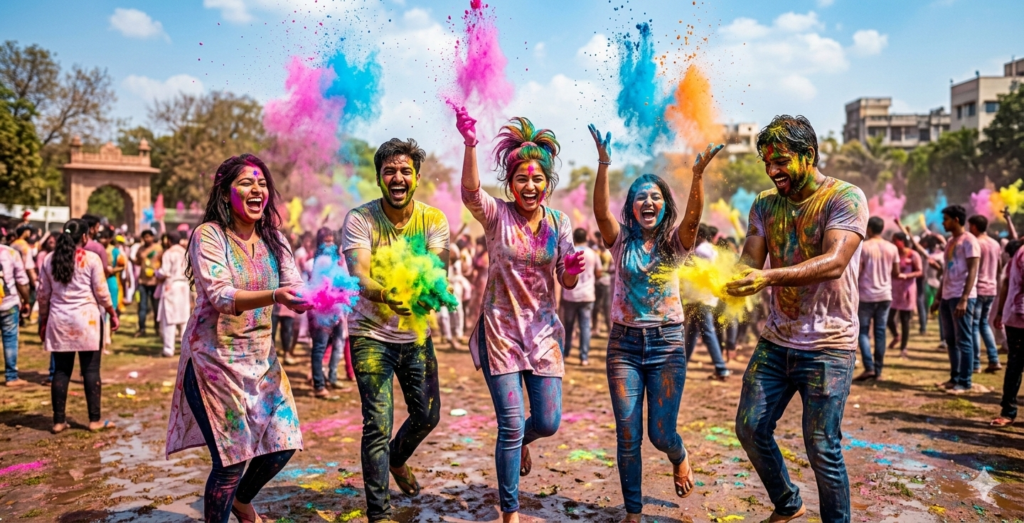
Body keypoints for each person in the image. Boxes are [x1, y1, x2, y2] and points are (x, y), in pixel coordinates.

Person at [725, 115, 868, 523]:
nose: (773, 171)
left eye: (782, 160)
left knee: (822, 446)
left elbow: (835, 262)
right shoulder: (764, 204)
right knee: (750, 428)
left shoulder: (845, 197)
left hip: (829, 345)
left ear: (809, 155)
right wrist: (721, 278)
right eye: (766, 163)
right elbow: (749, 260)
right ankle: (788, 503)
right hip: (776, 340)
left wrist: (766, 277)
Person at [165, 154, 311, 523]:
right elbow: (221, 296)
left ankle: (244, 503)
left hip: (262, 363)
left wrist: (319, 297)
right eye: (246, 182)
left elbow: (294, 284)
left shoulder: (274, 239)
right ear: (225, 190)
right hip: (214, 364)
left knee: (282, 445)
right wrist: (276, 296)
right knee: (231, 462)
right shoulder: (209, 235)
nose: (257, 189)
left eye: (262, 183)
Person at [588, 122, 723, 521]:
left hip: (666, 346)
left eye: (655, 197)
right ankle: (633, 511)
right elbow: (599, 211)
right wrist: (603, 163)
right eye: (640, 198)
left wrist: (697, 178)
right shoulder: (620, 243)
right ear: (630, 206)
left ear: (665, 204)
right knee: (628, 435)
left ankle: (678, 455)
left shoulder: (675, 245)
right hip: (623, 348)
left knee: (660, 434)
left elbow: (694, 221)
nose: (648, 202)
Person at [457, 109, 582, 523]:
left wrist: (572, 271)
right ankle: (509, 511)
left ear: (547, 183)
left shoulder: (559, 222)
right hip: (501, 333)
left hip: (544, 334)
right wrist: (471, 144)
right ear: (510, 183)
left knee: (547, 422)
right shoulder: (497, 216)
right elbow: (471, 193)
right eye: (521, 179)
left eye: (537, 178)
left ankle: (523, 441)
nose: (530, 186)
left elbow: (564, 279)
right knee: (509, 426)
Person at [341, 138, 448, 523]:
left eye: (405, 171)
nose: (397, 178)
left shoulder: (433, 220)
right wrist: (386, 294)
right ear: (379, 178)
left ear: (416, 178)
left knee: (428, 414)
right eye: (390, 171)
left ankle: (398, 459)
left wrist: (424, 296)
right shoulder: (360, 219)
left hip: (415, 335)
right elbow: (358, 275)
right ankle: (379, 514)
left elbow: (439, 273)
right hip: (370, 334)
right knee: (377, 424)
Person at [37, 219, 120, 433]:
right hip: (87, 321)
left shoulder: (49, 259)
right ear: (84, 236)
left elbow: (43, 295)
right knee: (91, 370)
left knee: (61, 371)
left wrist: (43, 321)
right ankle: (94, 420)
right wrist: (112, 312)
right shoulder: (91, 259)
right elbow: (101, 292)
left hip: (59, 320)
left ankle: (58, 421)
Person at [936, 205, 980, 395]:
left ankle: (965, 381)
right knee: (951, 340)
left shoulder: (970, 241)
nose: (942, 223)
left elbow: (973, 271)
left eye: (945, 219)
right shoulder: (950, 241)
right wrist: (938, 297)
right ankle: (954, 378)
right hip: (947, 296)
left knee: (964, 341)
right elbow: (946, 271)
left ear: (955, 219)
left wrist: (964, 298)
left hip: (961, 297)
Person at [682, 224, 731, 379]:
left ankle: (721, 368)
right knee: (692, 332)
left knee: (707, 331)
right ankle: (682, 365)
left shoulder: (700, 251)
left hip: (699, 298)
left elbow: (694, 275)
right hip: (705, 297)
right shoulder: (711, 249)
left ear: (699, 235)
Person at [854, 216, 899, 382]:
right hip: (885, 295)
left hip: (866, 295)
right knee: (880, 332)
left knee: (863, 332)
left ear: (870, 229)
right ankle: (878, 370)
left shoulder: (864, 247)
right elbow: (896, 272)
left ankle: (869, 367)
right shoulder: (892, 248)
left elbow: (857, 272)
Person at [308, 226, 346, 397]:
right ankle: (319, 385)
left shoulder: (336, 260)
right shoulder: (322, 261)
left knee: (338, 345)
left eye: (332, 240)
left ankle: (332, 378)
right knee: (320, 348)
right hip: (323, 313)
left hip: (337, 311)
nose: (330, 244)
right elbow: (322, 286)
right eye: (326, 240)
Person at [992, 240, 1024, 427]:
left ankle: (1008, 411)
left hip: (1014, 315)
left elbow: (1005, 283)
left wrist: (1000, 312)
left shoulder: (1018, 252)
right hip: (1019, 317)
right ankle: (1008, 411)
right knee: (1014, 366)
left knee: (1014, 365)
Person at [969, 215, 1003, 373]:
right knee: (984, 323)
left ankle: (976, 363)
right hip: (992, 288)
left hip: (978, 288)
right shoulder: (995, 244)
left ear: (974, 226)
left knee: (974, 325)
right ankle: (994, 359)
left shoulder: (976, 243)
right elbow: (999, 267)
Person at [559, 228, 598, 365]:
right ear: (586, 238)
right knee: (585, 326)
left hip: (570, 295)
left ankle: (566, 352)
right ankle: (584, 357)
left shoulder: (569, 253)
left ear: (574, 238)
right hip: (587, 295)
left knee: (568, 326)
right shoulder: (593, 253)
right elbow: (598, 272)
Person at [886, 231, 923, 359]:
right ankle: (896, 335)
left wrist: (906, 275)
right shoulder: (892, 254)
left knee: (905, 320)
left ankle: (903, 348)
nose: (893, 242)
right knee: (889, 318)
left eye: (895, 240)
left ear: (902, 241)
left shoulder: (913, 255)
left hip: (907, 290)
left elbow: (919, 272)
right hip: (893, 290)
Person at [0, 240, 30, 386]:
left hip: (8, 303)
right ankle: (11, 376)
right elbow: (21, 280)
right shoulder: (11, 253)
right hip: (9, 303)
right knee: (10, 339)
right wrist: (26, 300)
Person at [156, 232, 190, 358]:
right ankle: (185, 346)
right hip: (184, 286)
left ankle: (168, 349)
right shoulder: (185, 252)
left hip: (172, 286)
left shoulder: (169, 253)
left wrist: (156, 273)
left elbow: (164, 271)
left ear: (169, 240)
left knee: (169, 318)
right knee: (184, 318)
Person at [135, 229, 163, 338]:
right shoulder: (140, 249)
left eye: (149, 236)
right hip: (143, 282)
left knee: (156, 307)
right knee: (142, 307)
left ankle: (157, 328)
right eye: (145, 237)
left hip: (155, 282)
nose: (147, 239)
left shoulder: (158, 248)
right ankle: (142, 329)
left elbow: (162, 261)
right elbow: (138, 262)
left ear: (152, 237)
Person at [10, 225, 36, 327]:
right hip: (22, 276)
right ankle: (22, 317)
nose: (29, 233)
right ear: (24, 232)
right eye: (28, 231)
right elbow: (28, 265)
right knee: (27, 297)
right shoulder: (24, 246)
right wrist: (33, 279)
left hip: (11, 275)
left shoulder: (13, 244)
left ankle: (18, 318)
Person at [592, 231, 613, 337]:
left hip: (605, 282)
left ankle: (609, 329)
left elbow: (613, 267)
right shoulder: (595, 251)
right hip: (596, 283)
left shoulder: (609, 252)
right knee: (596, 307)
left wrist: (606, 272)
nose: (600, 242)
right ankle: (596, 328)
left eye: (602, 240)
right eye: (599, 240)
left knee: (606, 306)